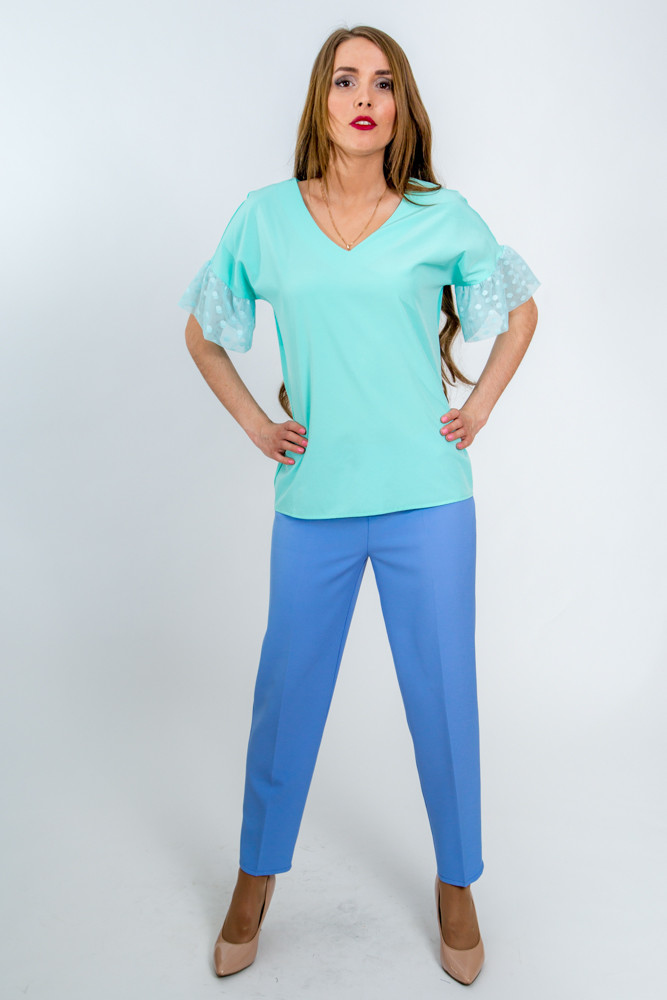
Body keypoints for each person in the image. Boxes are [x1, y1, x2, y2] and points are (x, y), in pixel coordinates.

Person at [178, 24, 540, 986]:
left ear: (401, 105)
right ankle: (255, 878)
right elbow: (205, 334)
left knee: (443, 699)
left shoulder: (439, 215)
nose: (364, 97)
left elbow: (519, 312)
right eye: (345, 80)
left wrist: (478, 407)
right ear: (321, 100)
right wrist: (257, 424)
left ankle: (456, 882)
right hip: (315, 502)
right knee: (285, 697)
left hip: (428, 500)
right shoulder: (264, 218)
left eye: (382, 83)